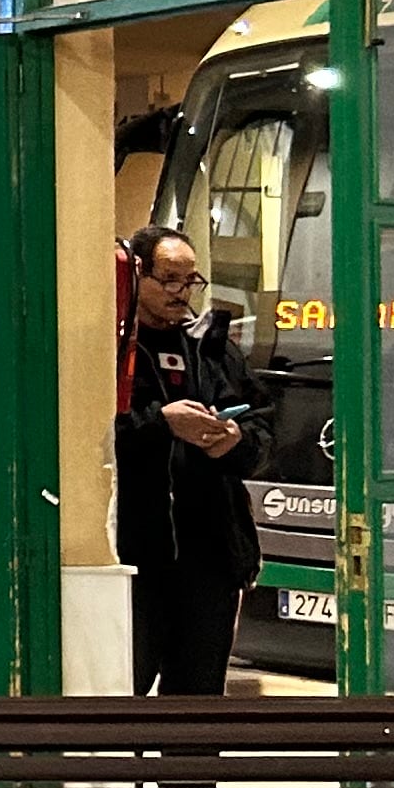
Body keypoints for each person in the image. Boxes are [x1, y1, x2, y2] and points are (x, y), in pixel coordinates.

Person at [117, 222, 266, 699]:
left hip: (211, 558)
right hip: (136, 557)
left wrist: (234, 441)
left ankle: (192, 778)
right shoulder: (111, 348)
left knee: (199, 706)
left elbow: (265, 431)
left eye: (191, 280)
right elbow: (88, 439)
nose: (182, 293)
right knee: (123, 697)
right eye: (170, 279)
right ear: (137, 277)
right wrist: (162, 424)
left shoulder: (212, 349)